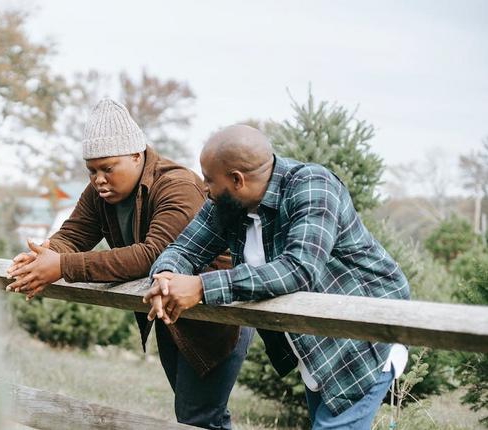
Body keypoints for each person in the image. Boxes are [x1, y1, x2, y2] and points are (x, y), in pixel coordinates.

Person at [6, 99, 254, 429]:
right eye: (91, 170)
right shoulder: (99, 193)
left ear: (137, 155)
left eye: (108, 168)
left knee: (198, 419)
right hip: (172, 314)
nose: (98, 179)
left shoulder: (176, 185)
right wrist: (44, 255)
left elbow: (152, 255)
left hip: (217, 316)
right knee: (200, 417)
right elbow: (75, 233)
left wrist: (63, 265)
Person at [144, 124, 411, 429]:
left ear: (236, 180)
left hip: (364, 336)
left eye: (208, 180)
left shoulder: (313, 185)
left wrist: (202, 287)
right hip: (314, 345)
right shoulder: (228, 205)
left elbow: (299, 270)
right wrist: (165, 276)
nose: (204, 188)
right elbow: (184, 249)